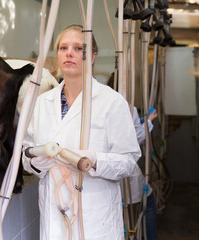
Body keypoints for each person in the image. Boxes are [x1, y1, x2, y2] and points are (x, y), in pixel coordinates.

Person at [22, 24, 141, 240]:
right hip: (53, 216)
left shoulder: (111, 102)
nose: (69, 53)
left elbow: (128, 161)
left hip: (95, 219)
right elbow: (26, 151)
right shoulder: (42, 103)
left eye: (78, 48)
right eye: (63, 47)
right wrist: (34, 163)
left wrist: (94, 160)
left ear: (93, 56)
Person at [128, 106, 158, 240]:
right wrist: (149, 122)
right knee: (149, 202)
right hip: (126, 174)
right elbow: (134, 140)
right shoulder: (128, 106)